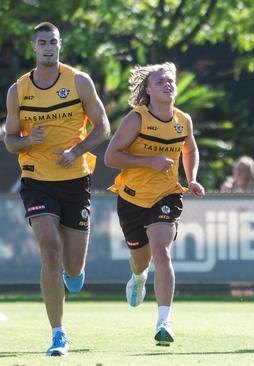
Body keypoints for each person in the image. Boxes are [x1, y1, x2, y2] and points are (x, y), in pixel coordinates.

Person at [3, 22, 110, 357]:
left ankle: (73, 272)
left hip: (75, 179)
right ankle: (58, 334)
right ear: (34, 47)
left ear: (59, 46)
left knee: (73, 268)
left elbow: (103, 127)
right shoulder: (18, 90)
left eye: (53, 42)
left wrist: (76, 152)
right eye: (42, 43)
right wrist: (25, 141)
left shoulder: (78, 81)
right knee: (49, 249)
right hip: (36, 180)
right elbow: (9, 142)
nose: (48, 47)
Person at [104, 62, 205, 346]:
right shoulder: (136, 119)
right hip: (132, 198)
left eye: (170, 80)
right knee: (141, 260)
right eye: (160, 81)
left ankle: (164, 321)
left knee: (162, 251)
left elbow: (191, 148)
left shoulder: (183, 120)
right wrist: (150, 162)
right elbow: (111, 158)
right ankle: (137, 278)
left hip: (167, 195)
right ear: (148, 89)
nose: (168, 84)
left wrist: (192, 178)